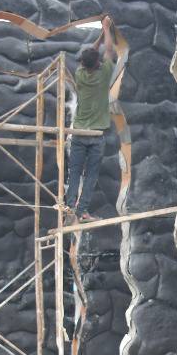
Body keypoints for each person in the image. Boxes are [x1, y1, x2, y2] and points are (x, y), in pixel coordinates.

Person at [66, 16, 121, 222]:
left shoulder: (80, 74)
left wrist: (100, 34)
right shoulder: (104, 74)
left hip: (79, 132)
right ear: (98, 63)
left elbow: (93, 52)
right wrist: (106, 28)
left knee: (75, 173)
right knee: (90, 176)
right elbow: (109, 49)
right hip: (97, 134)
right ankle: (82, 212)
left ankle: (70, 207)